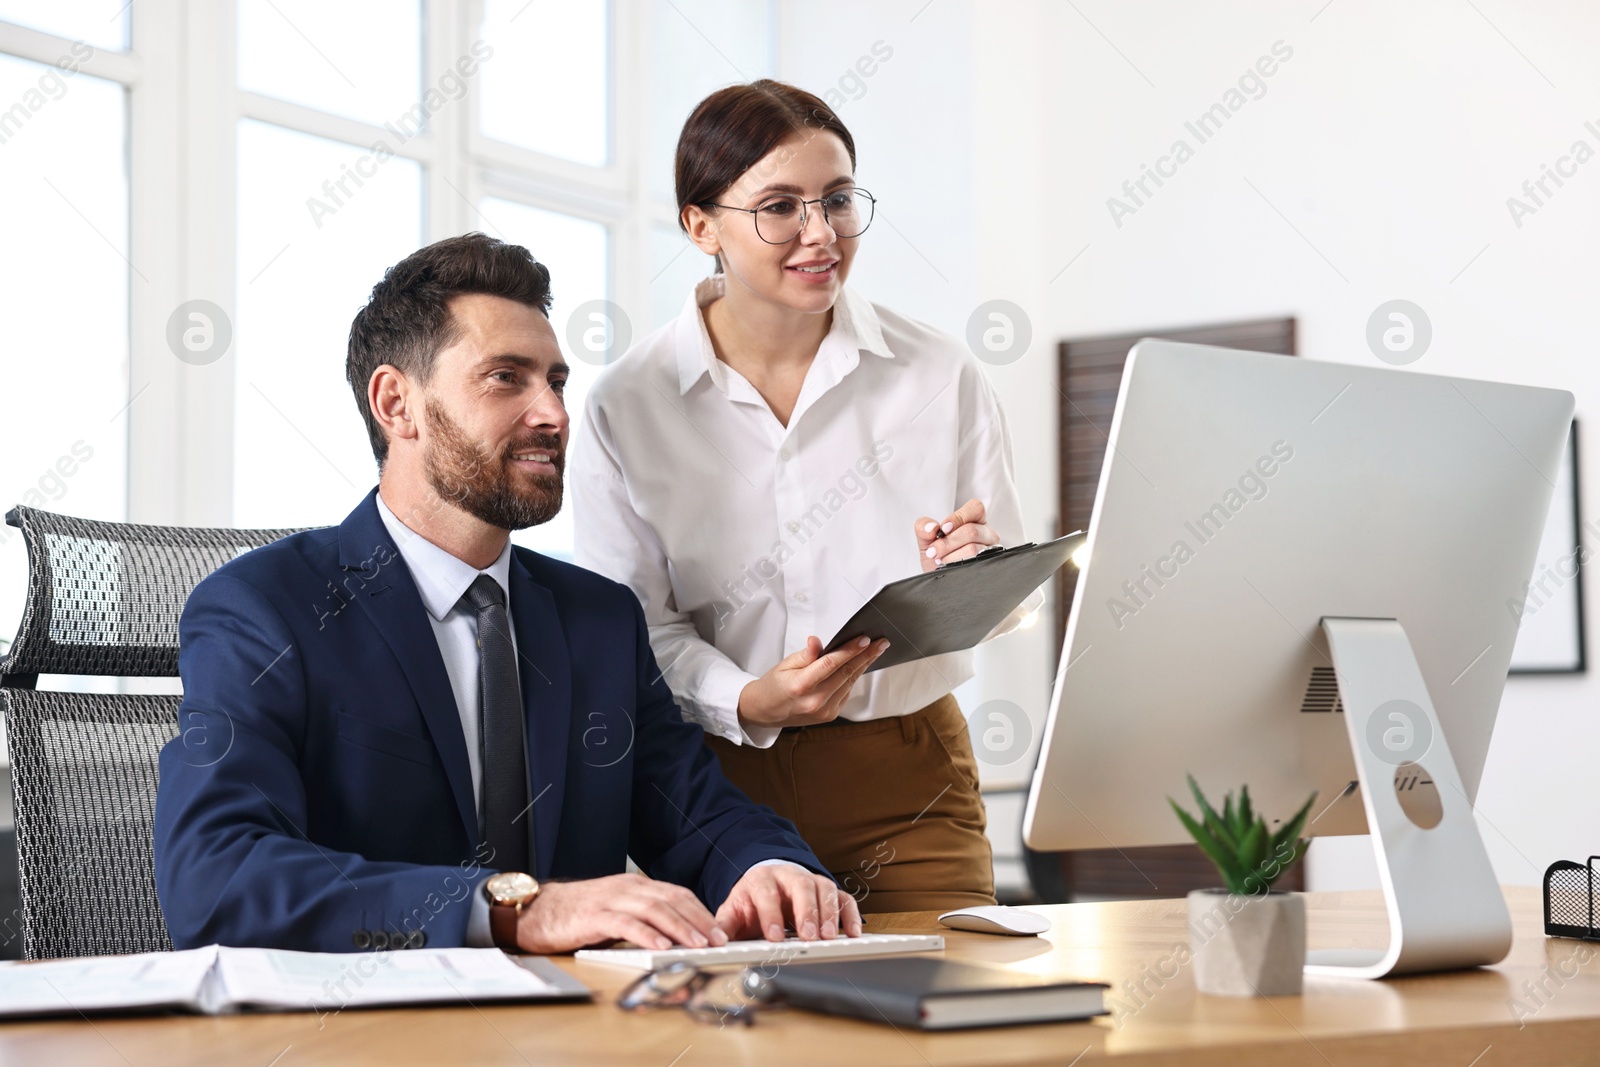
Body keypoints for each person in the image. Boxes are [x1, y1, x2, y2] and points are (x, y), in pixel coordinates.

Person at [154, 233, 862, 954]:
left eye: (555, 380)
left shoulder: (599, 620)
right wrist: (513, 908)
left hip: (576, 1033)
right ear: (397, 404)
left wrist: (768, 867)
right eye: (506, 378)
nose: (553, 414)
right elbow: (215, 879)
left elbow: (694, 810)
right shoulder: (264, 607)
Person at [569, 80, 1038, 913]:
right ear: (700, 224)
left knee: (949, 1023)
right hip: (717, 784)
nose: (821, 233)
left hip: (909, 773)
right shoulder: (626, 404)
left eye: (837, 200)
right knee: (737, 1034)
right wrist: (745, 698)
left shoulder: (938, 375)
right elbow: (634, 628)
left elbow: (1010, 600)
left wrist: (981, 571)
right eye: (781, 206)